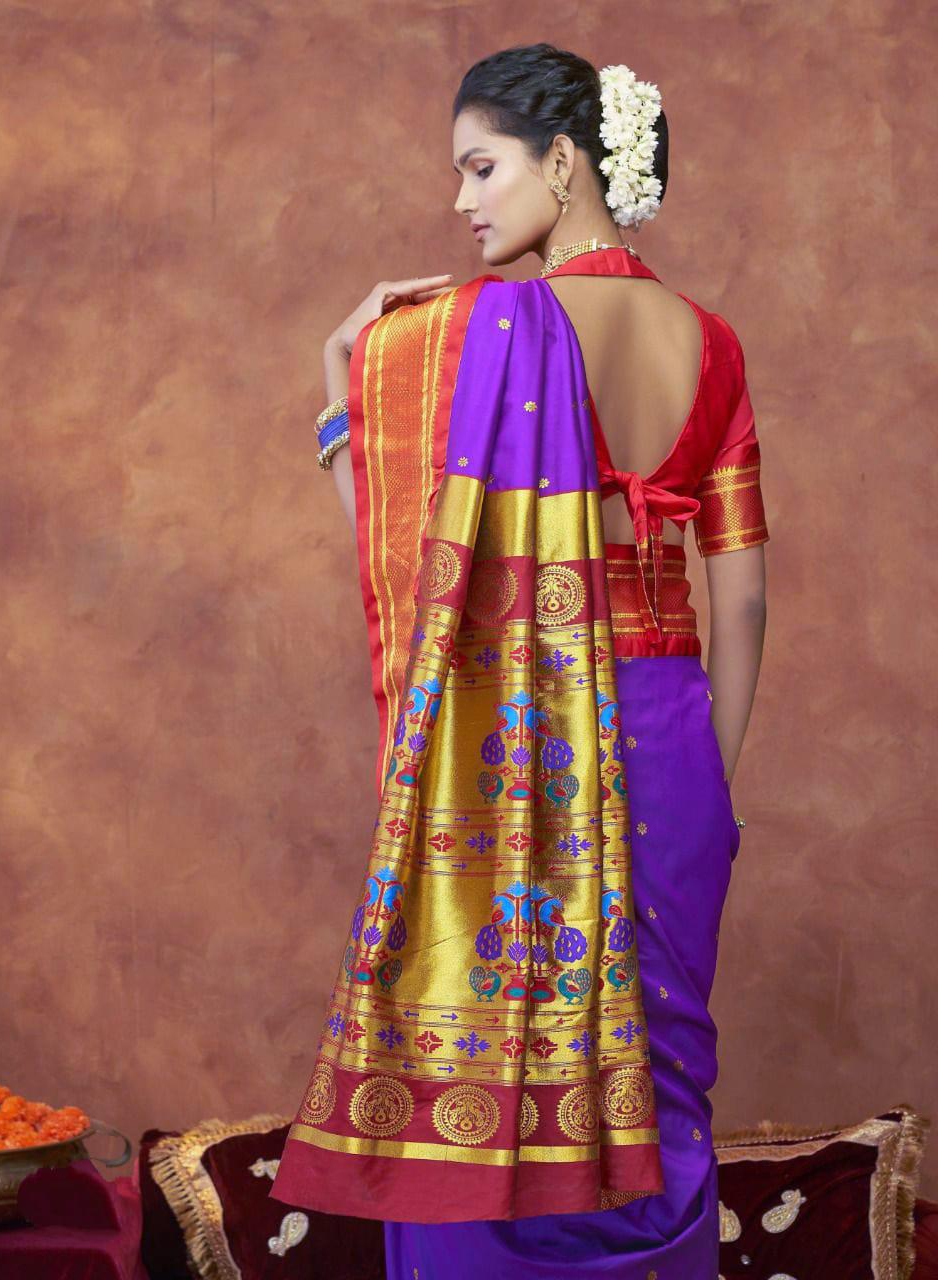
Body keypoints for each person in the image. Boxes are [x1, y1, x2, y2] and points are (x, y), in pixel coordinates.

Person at [271, 43, 769, 1279]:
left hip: (529, 737)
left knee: (492, 1075)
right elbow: (744, 591)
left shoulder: (491, 331)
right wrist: (710, 778)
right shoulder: (713, 342)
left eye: (481, 166)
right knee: (662, 1086)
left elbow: (418, 564)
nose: (462, 201)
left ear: (564, 161)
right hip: (675, 736)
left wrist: (339, 389)